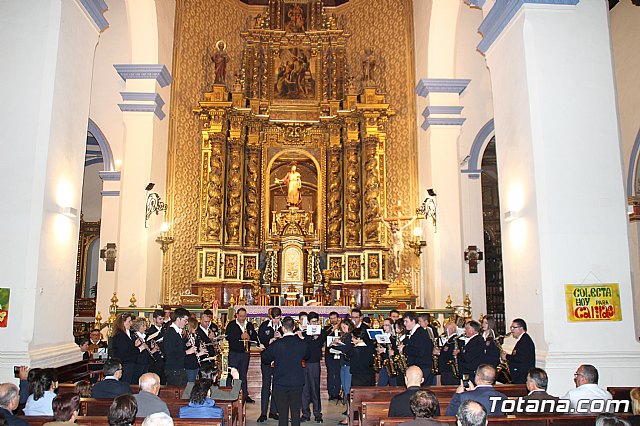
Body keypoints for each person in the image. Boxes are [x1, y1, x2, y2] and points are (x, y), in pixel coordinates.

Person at [262, 316, 310, 426]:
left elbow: (265, 358)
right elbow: (308, 355)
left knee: (282, 414)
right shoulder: (301, 343)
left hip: (280, 382)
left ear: (283, 328)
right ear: (294, 328)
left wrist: (270, 344)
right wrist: (302, 339)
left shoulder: (277, 344)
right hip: (297, 382)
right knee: (296, 413)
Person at [225, 307, 258, 403]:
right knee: (231, 374)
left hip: (245, 353)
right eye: (241, 316)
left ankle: (244, 395)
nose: (242, 318)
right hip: (234, 353)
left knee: (243, 374)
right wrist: (240, 336)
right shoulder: (231, 325)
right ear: (237, 315)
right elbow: (228, 337)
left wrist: (249, 336)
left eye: (244, 316)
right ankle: (229, 393)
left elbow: (255, 336)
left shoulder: (249, 325)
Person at [301, 311, 327, 423]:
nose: (315, 323)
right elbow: (305, 345)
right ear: (309, 322)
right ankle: (305, 413)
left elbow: (318, 345)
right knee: (305, 389)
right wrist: (306, 334)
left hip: (315, 363)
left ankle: (317, 413)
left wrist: (316, 337)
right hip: (304, 363)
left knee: (315, 389)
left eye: (316, 321)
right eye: (313, 321)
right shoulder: (304, 333)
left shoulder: (321, 333)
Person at [257, 307, 282, 422]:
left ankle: (273, 411)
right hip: (267, 359)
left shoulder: (283, 327)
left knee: (277, 385)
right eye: (275, 318)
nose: (277, 321)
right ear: (271, 317)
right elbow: (260, 339)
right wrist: (269, 341)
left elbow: (289, 339)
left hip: (280, 360)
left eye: (279, 318)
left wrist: (280, 338)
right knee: (266, 385)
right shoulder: (264, 326)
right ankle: (263, 413)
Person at [398, 312, 433, 386]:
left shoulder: (420, 333)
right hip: (419, 367)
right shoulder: (413, 333)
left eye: (406, 321)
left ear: (413, 321)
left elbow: (420, 351)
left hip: (422, 368)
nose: (404, 323)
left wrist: (404, 349)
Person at [111, 313, 148, 384]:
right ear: (123, 322)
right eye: (129, 321)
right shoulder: (120, 335)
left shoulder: (126, 334)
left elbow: (128, 348)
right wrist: (140, 348)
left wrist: (135, 345)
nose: (131, 323)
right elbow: (124, 352)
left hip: (129, 364)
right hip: (126, 365)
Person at [164, 307, 195, 386]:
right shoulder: (171, 333)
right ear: (178, 319)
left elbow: (176, 347)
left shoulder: (177, 332)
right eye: (185, 320)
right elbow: (170, 353)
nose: (186, 323)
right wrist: (187, 352)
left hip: (179, 369)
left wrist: (185, 345)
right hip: (174, 370)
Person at [501, 318, 535, 384]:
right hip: (520, 376)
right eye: (511, 327)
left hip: (522, 377)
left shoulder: (525, 341)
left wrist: (506, 357)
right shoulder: (523, 339)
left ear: (521, 328)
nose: (511, 330)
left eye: (514, 327)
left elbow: (520, 358)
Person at [131, 317, 160, 385]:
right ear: (137, 326)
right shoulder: (134, 337)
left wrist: (152, 349)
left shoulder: (144, 337)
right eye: (143, 326)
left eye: (145, 325)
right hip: (138, 364)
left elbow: (145, 352)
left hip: (145, 363)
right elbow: (134, 352)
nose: (145, 328)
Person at [323, 311, 342, 400]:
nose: (333, 320)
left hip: (339, 354)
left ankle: (337, 392)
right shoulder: (327, 328)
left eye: (334, 318)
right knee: (330, 373)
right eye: (331, 318)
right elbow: (323, 337)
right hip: (330, 354)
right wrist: (332, 330)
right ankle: (331, 393)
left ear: (338, 318)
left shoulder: (342, 328)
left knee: (338, 374)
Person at [146, 309, 167, 385]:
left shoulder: (165, 330)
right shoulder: (150, 331)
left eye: (163, 319)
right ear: (154, 319)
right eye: (160, 319)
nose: (162, 321)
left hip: (164, 359)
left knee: (163, 381)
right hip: (155, 360)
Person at [185, 317, 208, 382]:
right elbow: (187, 354)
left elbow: (196, 349)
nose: (196, 329)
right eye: (194, 327)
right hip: (189, 366)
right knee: (191, 383)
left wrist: (200, 349)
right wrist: (199, 354)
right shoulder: (185, 338)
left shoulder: (194, 336)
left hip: (195, 364)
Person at [377, 317, 398, 387]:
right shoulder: (382, 336)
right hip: (384, 363)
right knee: (381, 385)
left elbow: (395, 350)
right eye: (384, 325)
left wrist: (385, 350)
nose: (384, 327)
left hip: (392, 364)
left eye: (387, 325)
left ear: (391, 326)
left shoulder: (394, 338)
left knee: (393, 385)